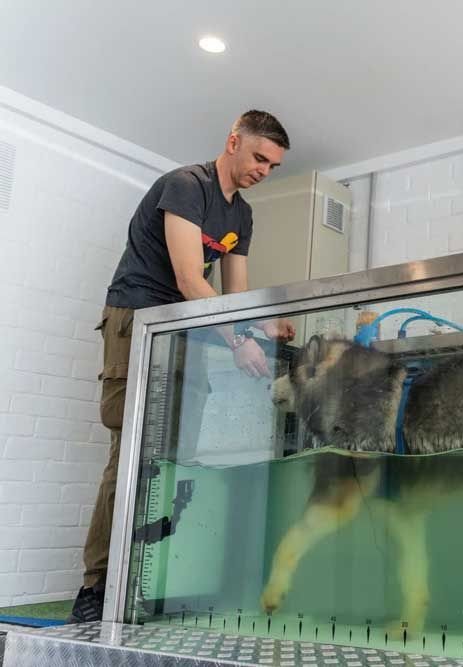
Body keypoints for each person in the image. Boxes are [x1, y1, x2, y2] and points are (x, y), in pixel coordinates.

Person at [68, 110, 297, 623]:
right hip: (139, 318)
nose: (264, 170)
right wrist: (238, 338)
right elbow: (191, 279)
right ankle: (96, 588)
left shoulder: (243, 215)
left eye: (273, 165)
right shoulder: (185, 186)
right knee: (129, 454)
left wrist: (262, 326)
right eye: (259, 157)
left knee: (177, 457)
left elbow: (233, 294)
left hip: (187, 330)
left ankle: (147, 580)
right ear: (233, 141)